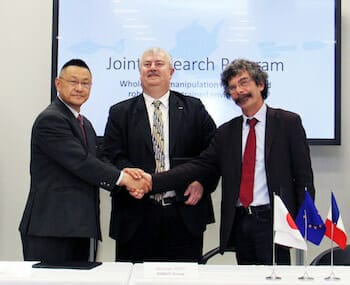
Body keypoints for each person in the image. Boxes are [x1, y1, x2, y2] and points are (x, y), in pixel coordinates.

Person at [149, 59, 315, 265]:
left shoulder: (288, 123)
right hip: (240, 221)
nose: (239, 91)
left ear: (260, 84)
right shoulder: (227, 132)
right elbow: (200, 165)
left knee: (276, 278)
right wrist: (152, 181)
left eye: (244, 83)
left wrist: (305, 219)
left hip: (274, 221)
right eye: (233, 87)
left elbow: (303, 176)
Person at [19, 59, 150, 263]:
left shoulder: (85, 123)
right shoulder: (51, 119)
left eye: (86, 83)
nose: (80, 88)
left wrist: (127, 172)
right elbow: (81, 163)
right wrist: (125, 179)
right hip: (52, 228)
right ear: (58, 83)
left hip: (80, 227)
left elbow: (99, 160)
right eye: (73, 82)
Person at [103, 47, 219, 262]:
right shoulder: (119, 112)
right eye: (147, 64)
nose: (152, 68)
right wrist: (131, 180)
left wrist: (202, 182)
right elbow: (111, 155)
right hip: (135, 215)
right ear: (139, 72)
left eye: (159, 63)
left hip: (183, 214)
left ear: (171, 72)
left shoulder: (194, 108)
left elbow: (214, 153)